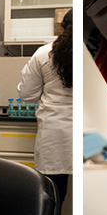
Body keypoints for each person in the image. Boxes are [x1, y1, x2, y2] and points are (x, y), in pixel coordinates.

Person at [18, 13, 73, 199]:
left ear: (62, 27)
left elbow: (27, 96)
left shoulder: (43, 54)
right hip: (87, 135)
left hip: (54, 137)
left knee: (54, 200)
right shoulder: (91, 54)